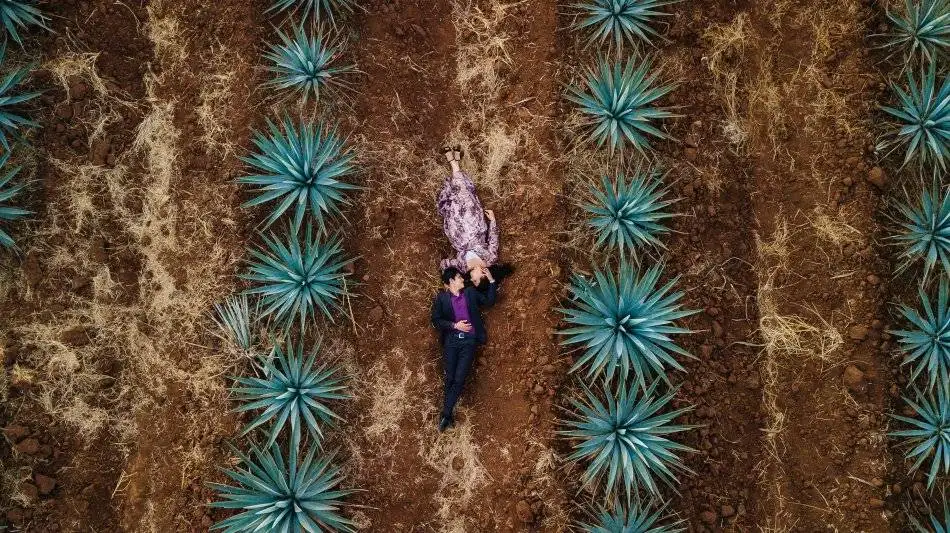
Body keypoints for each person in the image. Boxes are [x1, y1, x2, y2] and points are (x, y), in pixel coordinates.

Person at [430, 265, 496, 432]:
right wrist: (454, 325)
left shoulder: (470, 293)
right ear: (451, 281)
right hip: (451, 342)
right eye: (459, 278)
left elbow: (489, 301)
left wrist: (491, 279)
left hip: (469, 342)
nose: (462, 279)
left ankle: (445, 413)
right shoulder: (442, 299)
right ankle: (447, 416)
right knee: (450, 377)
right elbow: (436, 321)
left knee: (459, 378)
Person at [437, 145, 512, 288]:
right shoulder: (490, 259)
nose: (472, 280)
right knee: (465, 195)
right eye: (476, 281)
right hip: (474, 224)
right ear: (484, 275)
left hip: (456, 230)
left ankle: (456, 163)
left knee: (454, 199)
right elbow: (493, 239)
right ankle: (453, 163)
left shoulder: (462, 269)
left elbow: (444, 263)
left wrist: (448, 282)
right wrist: (493, 221)